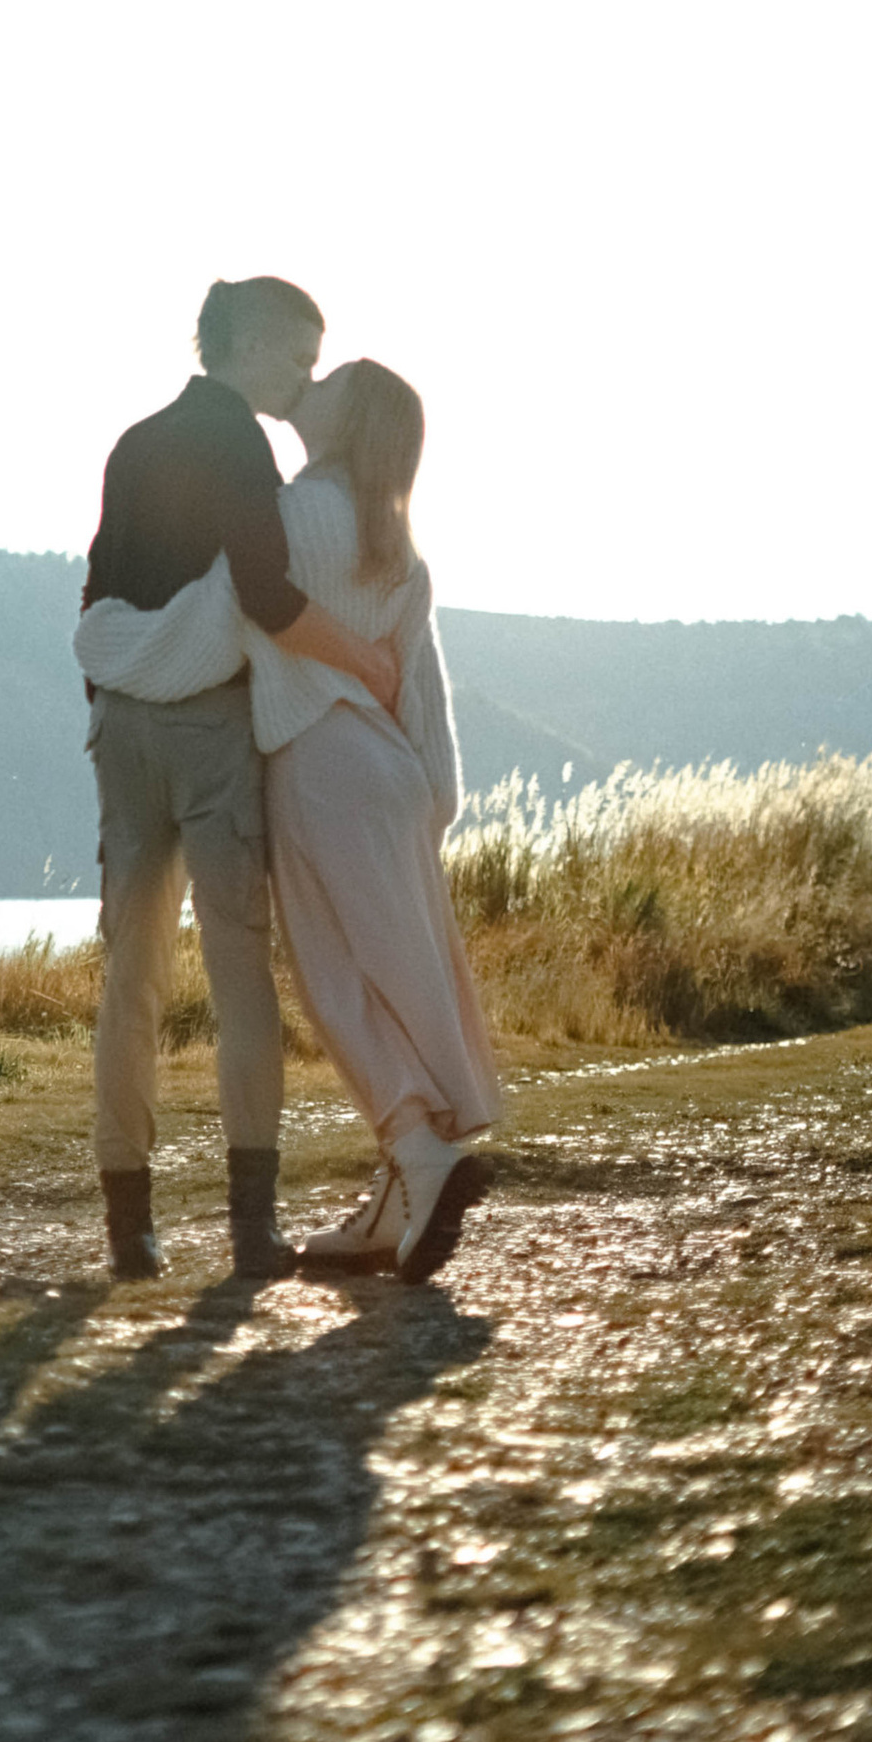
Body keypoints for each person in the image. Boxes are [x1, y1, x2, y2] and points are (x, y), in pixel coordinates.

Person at [72, 278, 404, 1281]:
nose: (306, 375)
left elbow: (96, 585)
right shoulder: (240, 446)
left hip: (119, 729)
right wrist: (366, 659)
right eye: (300, 355)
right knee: (237, 974)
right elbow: (266, 594)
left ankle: (128, 1228)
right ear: (252, 342)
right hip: (210, 732)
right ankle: (250, 1230)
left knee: (129, 974)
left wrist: (111, 695)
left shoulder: (133, 441)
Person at [247, 358, 500, 1283]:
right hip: (391, 768)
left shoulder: (286, 515)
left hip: (318, 756)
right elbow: (423, 688)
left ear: (349, 419)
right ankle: (399, 1200)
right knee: (403, 968)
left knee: (335, 976)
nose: (313, 382)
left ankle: (420, 1152)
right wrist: (432, 801)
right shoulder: (398, 543)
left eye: (335, 380)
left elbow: (237, 620)